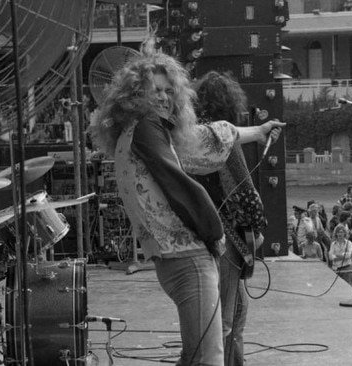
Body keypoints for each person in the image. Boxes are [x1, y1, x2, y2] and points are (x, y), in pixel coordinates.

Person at [88, 49, 284, 365]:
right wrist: (215, 233)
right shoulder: (148, 128)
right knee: (209, 356)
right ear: (136, 95)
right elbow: (180, 185)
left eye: (169, 91)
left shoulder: (137, 133)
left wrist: (255, 133)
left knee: (198, 353)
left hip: (172, 259)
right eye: (156, 91)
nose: (165, 98)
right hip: (190, 258)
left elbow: (207, 138)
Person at [192, 70, 278, 366]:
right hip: (227, 238)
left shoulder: (196, 137)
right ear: (230, 104)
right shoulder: (224, 138)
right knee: (227, 319)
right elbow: (245, 190)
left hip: (207, 233)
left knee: (236, 313)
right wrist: (259, 227)